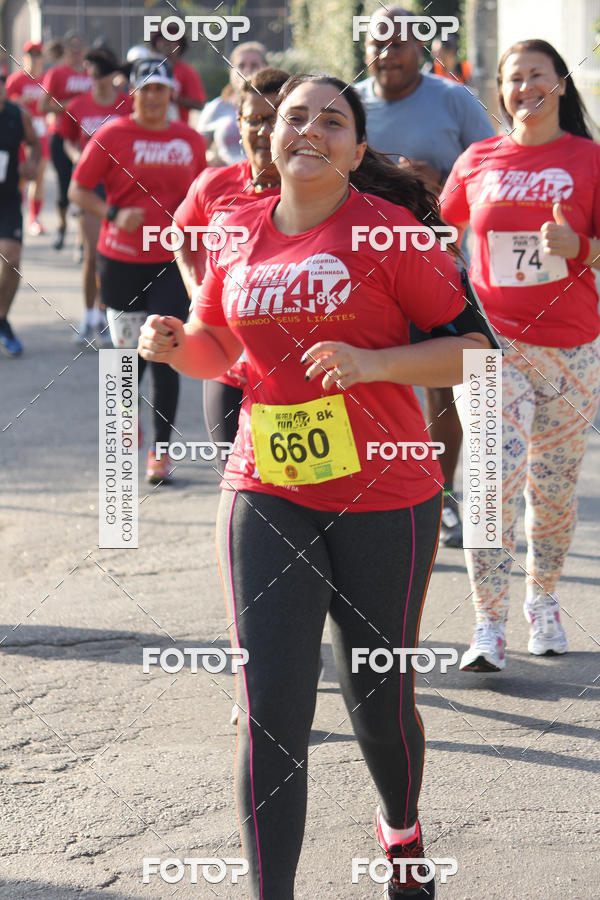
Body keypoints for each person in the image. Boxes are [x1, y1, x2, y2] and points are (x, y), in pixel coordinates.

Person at [138, 73, 493, 898]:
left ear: (357, 149)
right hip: (266, 486)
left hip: (388, 494)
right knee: (271, 712)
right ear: (266, 137)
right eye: (294, 117)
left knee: (379, 701)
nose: (309, 129)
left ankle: (401, 831)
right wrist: (173, 346)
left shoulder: (394, 234)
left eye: (332, 120)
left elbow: (476, 351)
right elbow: (218, 349)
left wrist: (375, 363)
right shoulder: (233, 231)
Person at [440, 39, 600, 671]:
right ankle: (488, 625)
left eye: (537, 75)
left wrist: (580, 245)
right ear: (500, 91)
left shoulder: (588, 159)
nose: (525, 87)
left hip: (572, 347)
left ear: (559, 83)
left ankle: (543, 601)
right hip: (492, 346)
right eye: (513, 79)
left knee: (552, 490)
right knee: (488, 482)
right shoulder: (477, 159)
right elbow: (442, 238)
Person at [354, 6, 495, 546]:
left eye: (399, 44)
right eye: (376, 44)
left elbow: (487, 165)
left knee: (441, 385)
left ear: (423, 49)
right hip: (364, 264)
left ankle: (441, 494)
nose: (386, 55)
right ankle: (369, 491)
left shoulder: (452, 98)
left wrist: (440, 180)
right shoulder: (352, 104)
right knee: (365, 376)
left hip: (439, 259)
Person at [69, 57, 206, 483]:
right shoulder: (113, 133)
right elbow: (78, 189)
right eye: (144, 88)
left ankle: (160, 453)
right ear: (133, 92)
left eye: (159, 89)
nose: (151, 97)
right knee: (128, 361)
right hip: (121, 265)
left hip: (170, 263)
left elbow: (205, 196)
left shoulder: (189, 139)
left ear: (170, 94)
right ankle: (126, 436)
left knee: (166, 354)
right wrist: (112, 212)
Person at [174, 66, 288, 465]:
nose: (263, 130)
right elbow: (182, 235)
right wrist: (197, 293)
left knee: (296, 483)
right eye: (253, 119)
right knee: (236, 480)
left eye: (275, 118)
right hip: (228, 362)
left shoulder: (316, 192)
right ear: (237, 125)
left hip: (292, 369)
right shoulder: (213, 184)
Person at [62, 48, 132, 346]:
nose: (96, 81)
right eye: (91, 75)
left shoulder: (125, 105)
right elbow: (65, 139)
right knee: (93, 253)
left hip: (119, 188)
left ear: (111, 76)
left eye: (101, 76)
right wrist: (79, 156)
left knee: (112, 255)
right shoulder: (78, 105)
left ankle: (108, 314)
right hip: (90, 187)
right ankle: (89, 315)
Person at [0, 72, 41, 356]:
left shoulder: (17, 114)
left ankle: (1, 319)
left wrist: (32, 165)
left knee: (11, 259)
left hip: (8, 200)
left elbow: (34, 143)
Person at [39, 31, 92, 250]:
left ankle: (82, 239)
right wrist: (71, 106)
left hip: (86, 139)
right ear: (66, 51)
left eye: (80, 48)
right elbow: (43, 106)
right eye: (72, 48)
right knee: (64, 188)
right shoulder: (56, 74)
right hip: (61, 135)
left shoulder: (92, 74)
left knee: (84, 187)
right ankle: (61, 226)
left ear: (85, 51)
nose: (76, 52)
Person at [196, 41, 267, 166]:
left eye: (254, 65)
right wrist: (211, 158)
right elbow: (197, 153)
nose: (247, 70)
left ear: (266, 69)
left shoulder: (277, 108)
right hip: (229, 179)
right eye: (241, 65)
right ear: (231, 71)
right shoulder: (216, 108)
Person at [6, 41, 49, 235]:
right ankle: (17, 215)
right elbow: (4, 102)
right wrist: (21, 100)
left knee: (39, 176)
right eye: (30, 55)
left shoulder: (47, 80)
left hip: (41, 131)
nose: (34, 59)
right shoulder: (15, 80)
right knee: (20, 176)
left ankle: (35, 218)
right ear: (24, 58)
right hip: (20, 133)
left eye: (37, 55)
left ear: (42, 58)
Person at [149, 22, 206, 123]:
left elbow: (199, 104)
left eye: (171, 40)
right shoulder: (147, 69)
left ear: (179, 45)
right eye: (162, 40)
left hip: (176, 130)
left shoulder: (186, 71)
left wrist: (173, 98)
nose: (166, 44)